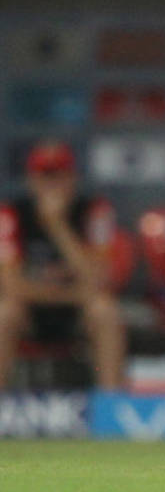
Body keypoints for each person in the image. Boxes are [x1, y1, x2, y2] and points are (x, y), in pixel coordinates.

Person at [0, 141, 124, 389]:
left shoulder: (95, 211)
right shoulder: (11, 214)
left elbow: (99, 280)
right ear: (31, 179)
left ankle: (110, 403)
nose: (52, 183)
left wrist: (57, 227)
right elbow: (12, 287)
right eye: (45, 176)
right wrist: (72, 291)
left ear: (73, 177)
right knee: (5, 313)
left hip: (78, 312)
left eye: (59, 175)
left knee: (105, 311)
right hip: (33, 311)